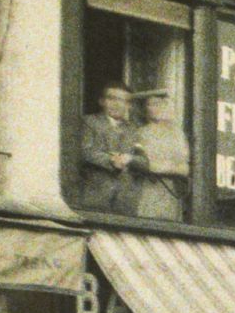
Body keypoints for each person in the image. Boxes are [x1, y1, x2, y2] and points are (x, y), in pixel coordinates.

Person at [80, 81, 142, 213]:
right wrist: (111, 160)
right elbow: (85, 150)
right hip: (95, 196)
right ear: (102, 101)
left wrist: (130, 159)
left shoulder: (134, 130)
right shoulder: (89, 122)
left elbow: (144, 161)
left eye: (123, 100)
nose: (117, 104)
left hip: (125, 201)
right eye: (111, 98)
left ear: (129, 105)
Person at [131, 90, 189, 221]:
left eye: (160, 104)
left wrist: (161, 167)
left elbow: (185, 168)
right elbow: (143, 164)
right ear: (145, 108)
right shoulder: (140, 133)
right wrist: (167, 167)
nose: (156, 108)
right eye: (151, 104)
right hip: (148, 190)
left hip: (170, 192)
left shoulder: (177, 134)